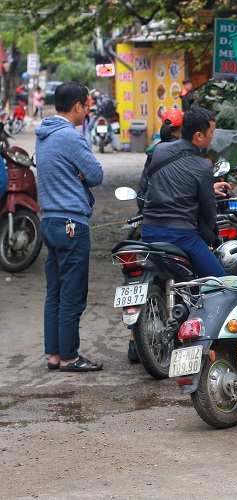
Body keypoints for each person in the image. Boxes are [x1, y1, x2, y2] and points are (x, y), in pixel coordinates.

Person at [36, 81, 105, 372]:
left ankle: (54, 355)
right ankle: (69, 357)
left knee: (55, 292)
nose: (87, 111)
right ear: (77, 106)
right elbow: (96, 174)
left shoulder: (44, 133)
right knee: (72, 295)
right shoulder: (71, 137)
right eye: (87, 106)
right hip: (71, 224)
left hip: (49, 221)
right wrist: (81, 173)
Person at [141, 107, 229, 278]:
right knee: (221, 281)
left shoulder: (159, 151)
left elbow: (170, 181)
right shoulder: (203, 167)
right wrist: (211, 234)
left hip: (149, 231)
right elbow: (209, 211)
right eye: (212, 132)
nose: (213, 136)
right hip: (181, 236)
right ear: (198, 135)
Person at [136, 108, 184, 212]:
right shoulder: (187, 152)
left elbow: (144, 184)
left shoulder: (154, 152)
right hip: (181, 213)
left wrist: (142, 207)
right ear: (181, 129)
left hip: (154, 211)